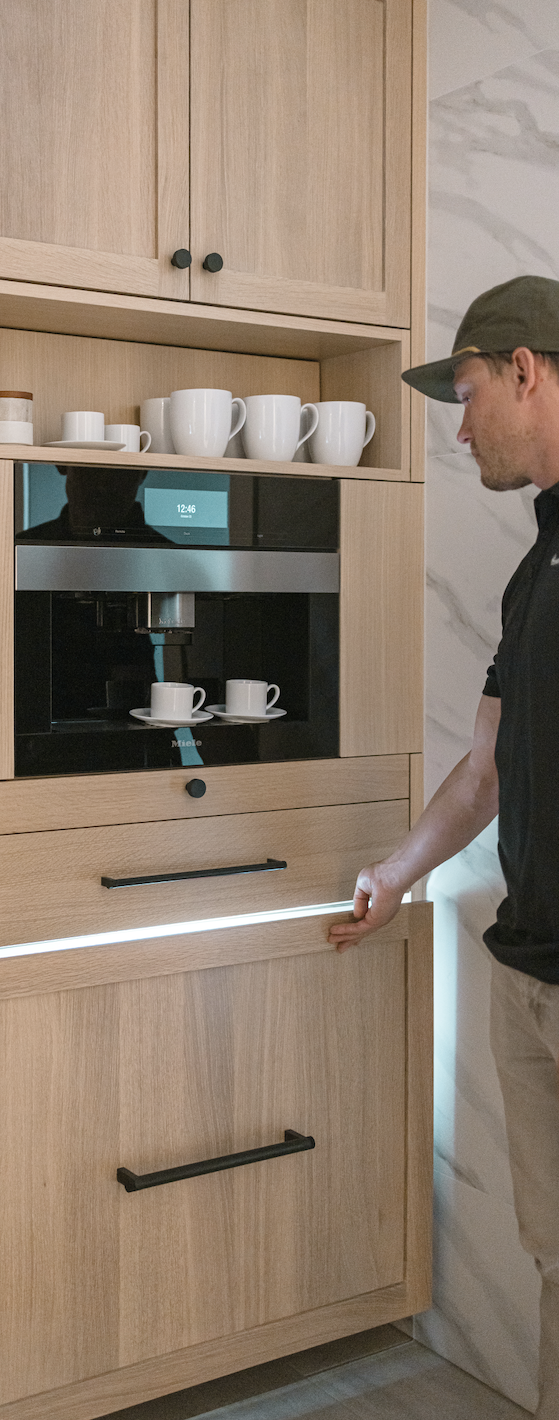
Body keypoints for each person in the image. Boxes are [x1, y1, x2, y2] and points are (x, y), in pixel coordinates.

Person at [328, 274, 559, 1417]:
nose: (459, 427)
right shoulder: (532, 578)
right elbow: (486, 771)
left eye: (467, 394)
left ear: (528, 369)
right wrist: (395, 872)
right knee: (556, 1266)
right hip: (530, 978)